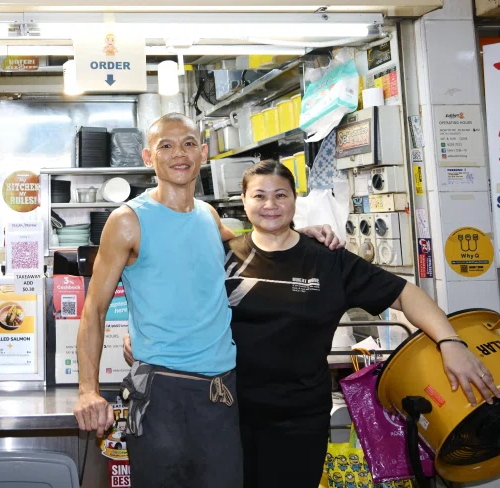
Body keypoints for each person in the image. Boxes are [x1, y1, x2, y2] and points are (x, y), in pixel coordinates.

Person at [123, 159, 500, 488]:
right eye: (259, 196)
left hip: (299, 417)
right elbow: (174, 301)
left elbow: (405, 294)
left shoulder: (328, 260)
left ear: (294, 200)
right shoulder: (222, 256)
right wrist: (139, 337)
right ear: (244, 202)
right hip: (226, 413)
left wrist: (451, 343)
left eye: (281, 195)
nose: (270, 204)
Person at [73, 114, 341, 487]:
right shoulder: (128, 220)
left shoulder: (207, 215)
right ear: (149, 157)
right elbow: (94, 309)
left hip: (222, 389)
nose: (178, 153)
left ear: (202, 153)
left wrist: (296, 234)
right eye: (166, 145)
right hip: (162, 391)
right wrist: (88, 390)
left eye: (187, 144)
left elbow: (252, 247)